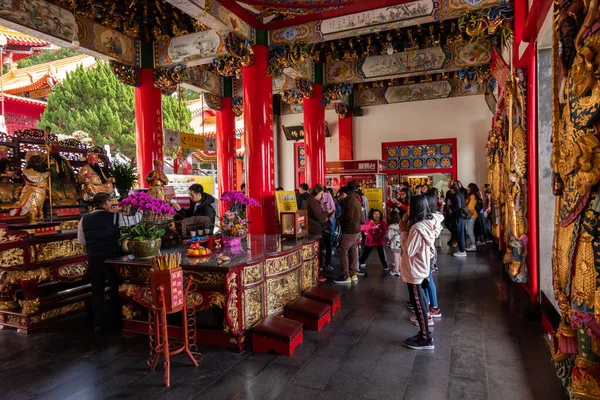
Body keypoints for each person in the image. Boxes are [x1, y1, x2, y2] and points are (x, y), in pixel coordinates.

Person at [77, 192, 139, 332]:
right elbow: (133, 221)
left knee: (97, 290)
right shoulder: (116, 217)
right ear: (106, 203)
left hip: (94, 259)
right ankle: (119, 319)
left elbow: (81, 241)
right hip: (112, 258)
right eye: (110, 202)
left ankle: (98, 323)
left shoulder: (84, 219)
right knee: (117, 288)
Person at [399, 194, 439, 350]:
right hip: (419, 268)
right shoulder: (425, 223)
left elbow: (408, 250)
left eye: (410, 205)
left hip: (415, 269)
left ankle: (426, 338)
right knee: (419, 302)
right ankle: (423, 333)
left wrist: (403, 231)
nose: (407, 208)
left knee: (419, 303)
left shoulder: (417, 228)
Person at [407, 190, 444, 324]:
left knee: (426, 282)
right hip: (427, 254)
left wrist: (404, 232)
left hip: (422, 258)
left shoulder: (421, 225)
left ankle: (428, 310)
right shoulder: (431, 219)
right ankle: (428, 307)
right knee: (427, 280)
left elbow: (409, 250)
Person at [334, 186, 362, 285]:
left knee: (343, 251)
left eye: (340, 195)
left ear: (343, 194)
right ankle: (353, 273)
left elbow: (348, 217)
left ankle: (345, 275)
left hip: (349, 231)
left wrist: (339, 221)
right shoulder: (356, 200)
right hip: (357, 230)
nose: (340, 198)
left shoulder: (349, 202)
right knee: (354, 250)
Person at [320, 186, 337, 271]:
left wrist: (328, 218)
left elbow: (333, 209)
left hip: (326, 224)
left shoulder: (327, 196)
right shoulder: (314, 198)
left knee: (328, 244)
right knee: (320, 245)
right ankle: (320, 265)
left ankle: (328, 264)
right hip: (319, 224)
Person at [449, 184, 467, 257]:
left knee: (459, 233)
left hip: (458, 216)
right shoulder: (461, 195)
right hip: (461, 216)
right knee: (461, 233)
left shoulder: (456, 196)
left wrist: (451, 207)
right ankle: (461, 250)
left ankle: (462, 250)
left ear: (453, 190)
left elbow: (458, 206)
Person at [386, 211, 402, 277]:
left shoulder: (391, 227)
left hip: (394, 243)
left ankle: (396, 270)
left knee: (396, 256)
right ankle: (401, 269)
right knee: (399, 256)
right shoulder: (400, 225)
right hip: (400, 242)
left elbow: (389, 236)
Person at [465, 183, 479, 252]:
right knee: (469, 229)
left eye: (468, 186)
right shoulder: (472, 195)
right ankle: (472, 244)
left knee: (469, 230)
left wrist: (465, 208)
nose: (467, 187)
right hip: (471, 214)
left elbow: (471, 206)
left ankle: (473, 245)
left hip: (471, 214)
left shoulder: (472, 196)